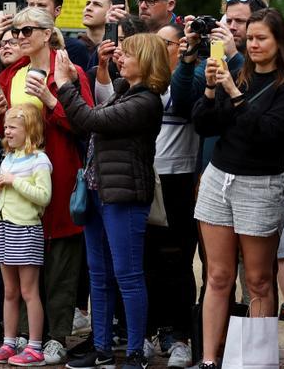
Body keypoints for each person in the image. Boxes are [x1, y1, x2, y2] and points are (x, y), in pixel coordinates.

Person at [191, 8, 284, 369]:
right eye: (250, 38)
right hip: (218, 179)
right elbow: (205, 125)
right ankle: (210, 359)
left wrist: (232, 92)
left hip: (261, 184)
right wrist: (211, 89)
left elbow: (269, 135)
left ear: (279, 42)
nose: (253, 45)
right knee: (218, 275)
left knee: (258, 279)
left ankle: (257, 361)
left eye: (261, 38)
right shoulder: (237, 74)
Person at [55, 34, 169, 369]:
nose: (121, 56)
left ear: (146, 60)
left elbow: (91, 120)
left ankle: (135, 351)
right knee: (99, 275)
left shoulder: (147, 101)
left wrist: (64, 86)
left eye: (128, 54)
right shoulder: (124, 91)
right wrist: (74, 82)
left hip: (124, 196)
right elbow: (87, 118)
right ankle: (102, 347)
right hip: (97, 191)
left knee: (128, 275)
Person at [0, 6, 94, 364]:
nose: (19, 37)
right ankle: (20, 337)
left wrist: (52, 99)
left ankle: (56, 336)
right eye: (16, 31)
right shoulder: (11, 75)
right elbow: (7, 134)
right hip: (20, 186)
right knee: (22, 264)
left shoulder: (71, 70)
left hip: (61, 176)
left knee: (62, 262)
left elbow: (85, 123)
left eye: (27, 31)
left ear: (47, 34)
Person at [141, 22, 200, 368]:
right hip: (147, 177)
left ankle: (180, 337)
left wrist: (190, 58)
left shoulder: (188, 78)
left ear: (181, 46)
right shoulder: (143, 82)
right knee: (146, 259)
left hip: (179, 179)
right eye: (157, 43)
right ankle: (147, 332)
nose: (161, 49)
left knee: (177, 261)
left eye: (168, 43)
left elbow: (185, 99)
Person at [0, 105, 53, 366]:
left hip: (26, 229)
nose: (7, 131)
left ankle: (35, 346)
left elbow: (43, 197)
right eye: (6, 126)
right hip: (4, 228)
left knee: (28, 291)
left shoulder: (39, 161)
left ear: (30, 130)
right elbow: (4, 195)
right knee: (10, 291)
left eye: (13, 126)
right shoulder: (8, 159)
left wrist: (14, 181)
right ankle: (8, 342)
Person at [26, 0, 92, 68]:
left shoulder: (75, 49)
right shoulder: (18, 43)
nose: (34, 10)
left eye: (41, 6)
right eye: (31, 5)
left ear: (57, 10)